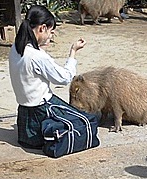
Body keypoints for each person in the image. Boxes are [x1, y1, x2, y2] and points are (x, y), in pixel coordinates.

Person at [8, 5, 88, 149]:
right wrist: (73, 52)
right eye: (51, 31)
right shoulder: (37, 57)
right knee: (86, 122)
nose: (51, 35)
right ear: (42, 28)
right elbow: (64, 78)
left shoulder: (16, 48)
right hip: (42, 109)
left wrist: (42, 44)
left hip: (25, 112)